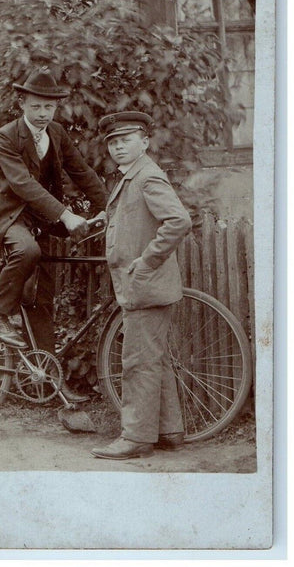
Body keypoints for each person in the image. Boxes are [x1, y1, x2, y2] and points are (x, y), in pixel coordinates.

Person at [0, 66, 107, 402]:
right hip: (11, 219)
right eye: (36, 106)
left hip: (42, 223)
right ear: (22, 103)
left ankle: (51, 384)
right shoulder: (5, 138)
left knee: (42, 303)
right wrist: (65, 215)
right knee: (27, 251)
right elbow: (22, 184)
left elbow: (80, 170)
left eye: (48, 107)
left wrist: (112, 204)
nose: (42, 113)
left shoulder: (57, 133)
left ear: (55, 108)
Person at [91, 111, 192, 459]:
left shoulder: (147, 176)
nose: (118, 147)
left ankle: (135, 437)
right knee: (154, 360)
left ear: (144, 142)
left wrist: (146, 262)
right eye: (113, 143)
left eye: (126, 140)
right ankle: (169, 431)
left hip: (146, 285)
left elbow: (178, 220)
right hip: (143, 285)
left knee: (137, 362)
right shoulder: (132, 177)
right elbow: (137, 218)